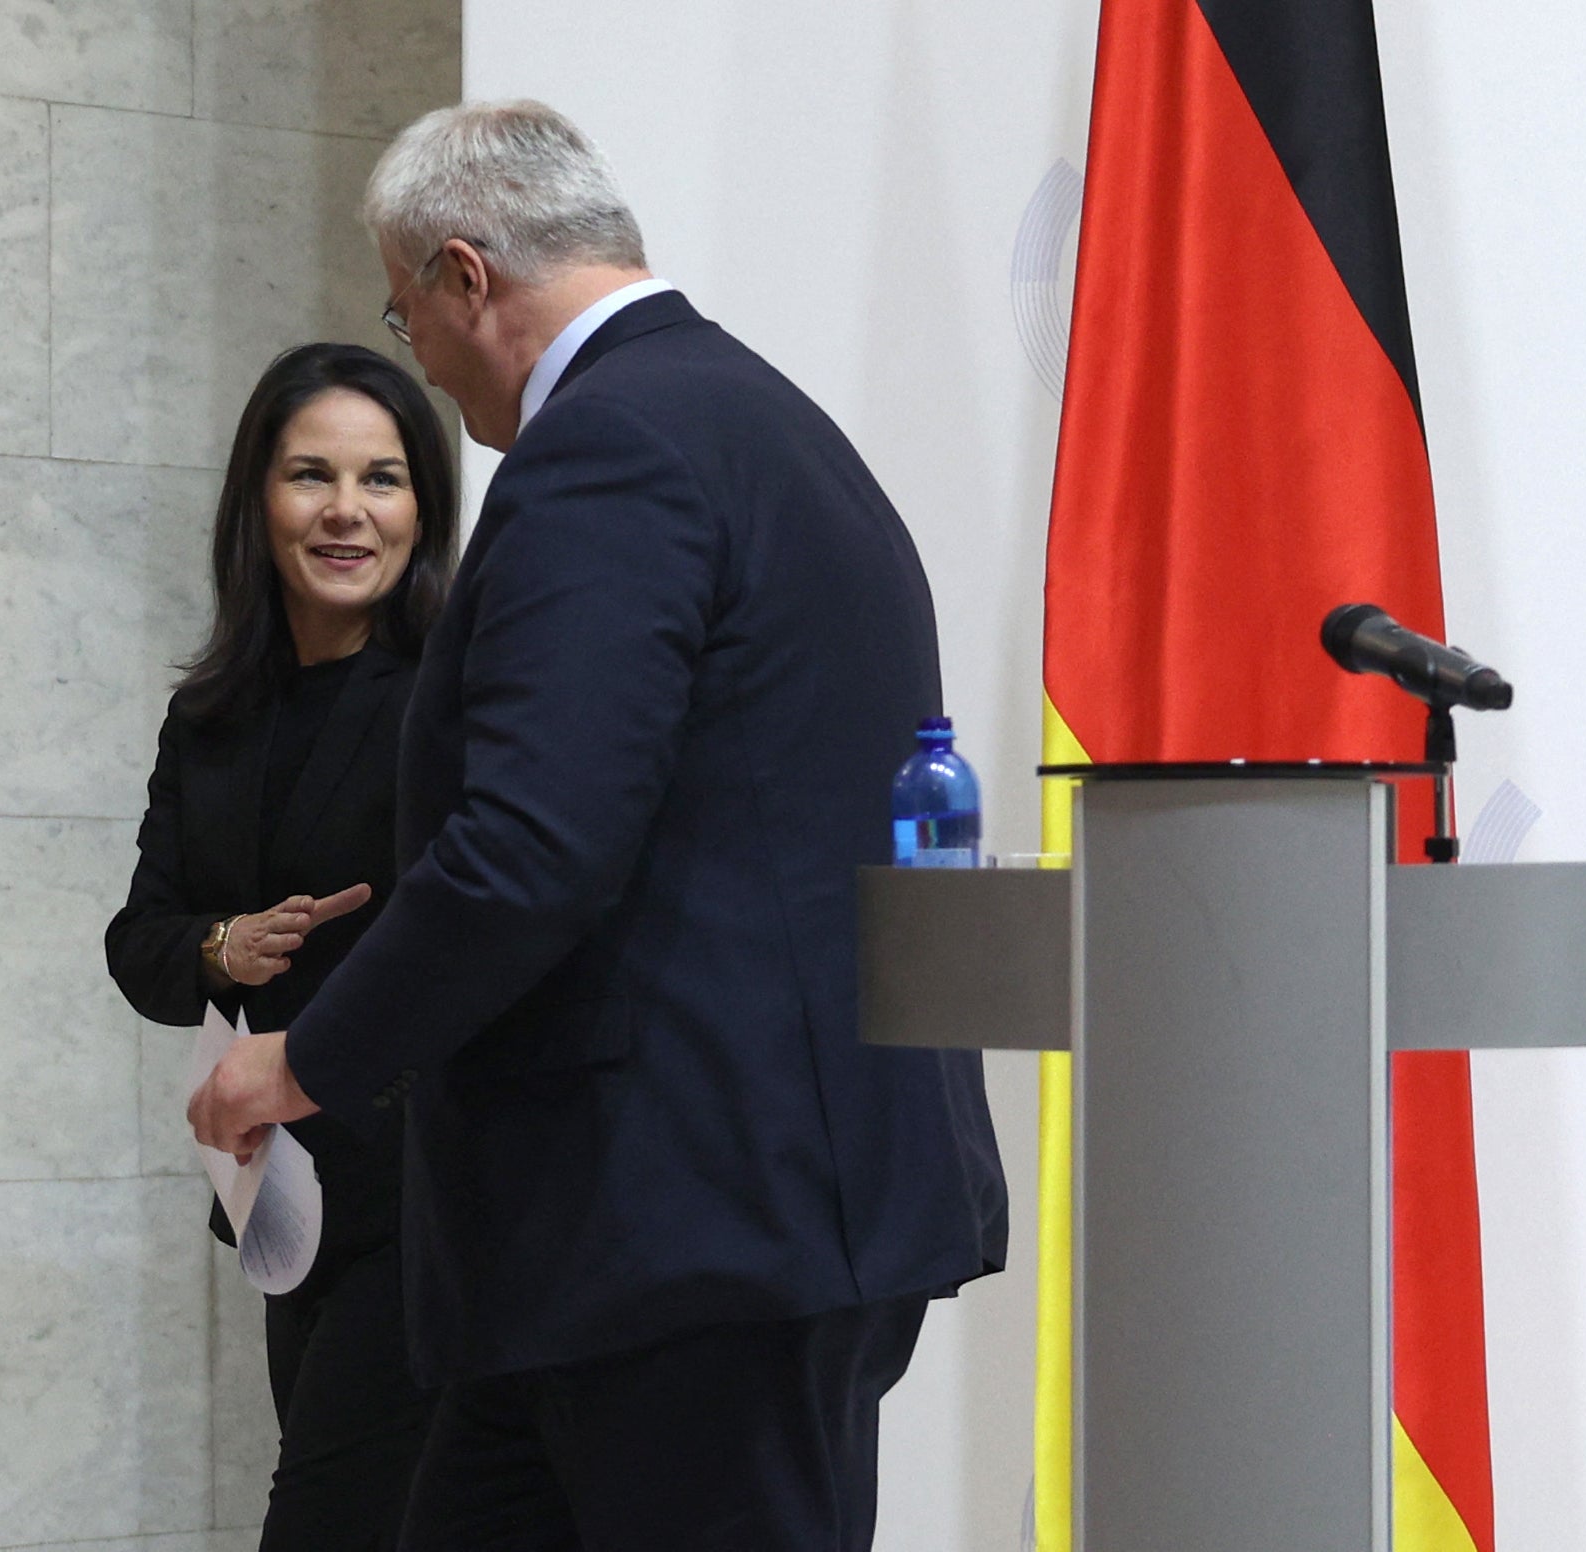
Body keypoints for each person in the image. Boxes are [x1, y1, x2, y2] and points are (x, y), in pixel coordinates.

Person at [190, 102, 1008, 1551]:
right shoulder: (757, 419)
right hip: (680, 1231)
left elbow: (530, 848)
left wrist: (307, 1062)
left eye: (405, 312)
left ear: (464, 275)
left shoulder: (607, 449)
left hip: (687, 1234)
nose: (419, 359)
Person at [106, 341, 458, 1552]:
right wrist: (222, 946)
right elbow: (139, 943)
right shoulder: (211, 714)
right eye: (313, 474)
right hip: (282, 1200)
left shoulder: (452, 702)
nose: (349, 511)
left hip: (429, 1196)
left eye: (386, 478)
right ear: (258, 498)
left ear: (427, 507)